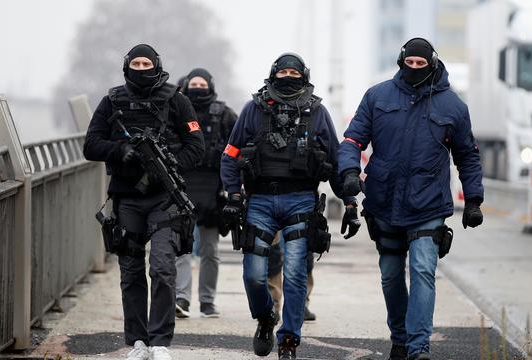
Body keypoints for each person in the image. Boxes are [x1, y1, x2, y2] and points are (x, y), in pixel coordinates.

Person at [338, 38, 484, 360]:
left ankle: (419, 348)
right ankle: (400, 339)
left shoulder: (453, 106)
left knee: (421, 270)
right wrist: (349, 171)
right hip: (384, 201)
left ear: (431, 63)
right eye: (410, 63)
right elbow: (351, 139)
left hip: (428, 204)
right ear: (401, 61)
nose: (414, 69)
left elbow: (468, 157)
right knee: (391, 275)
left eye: (421, 64)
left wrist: (473, 199)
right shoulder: (377, 97)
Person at [221, 53, 360, 360]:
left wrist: (349, 202)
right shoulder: (253, 110)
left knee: (296, 274)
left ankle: (289, 340)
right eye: (283, 71)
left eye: (293, 72)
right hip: (259, 201)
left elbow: (336, 161)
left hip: (301, 199)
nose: (288, 76)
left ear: (304, 76)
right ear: (273, 74)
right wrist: (233, 195)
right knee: (254, 275)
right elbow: (230, 155)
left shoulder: (317, 112)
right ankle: (266, 317)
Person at [83, 44, 204, 360]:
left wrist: (166, 164)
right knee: (131, 270)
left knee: (163, 267)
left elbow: (196, 146)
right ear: (126, 66)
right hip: (127, 199)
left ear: (157, 65)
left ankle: (160, 341)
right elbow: (91, 144)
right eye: (135, 62)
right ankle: (137, 341)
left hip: (165, 199)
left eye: (145, 62)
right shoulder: (112, 101)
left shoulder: (176, 99)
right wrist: (119, 152)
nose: (140, 67)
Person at [175, 68, 238, 319]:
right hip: (182, 188)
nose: (198, 88)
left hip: (213, 191)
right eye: (193, 83)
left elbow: (240, 142)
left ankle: (207, 301)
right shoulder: (177, 111)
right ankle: (181, 298)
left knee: (210, 251)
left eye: (202, 84)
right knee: (182, 248)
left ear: (210, 86)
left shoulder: (223, 114)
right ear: (186, 85)